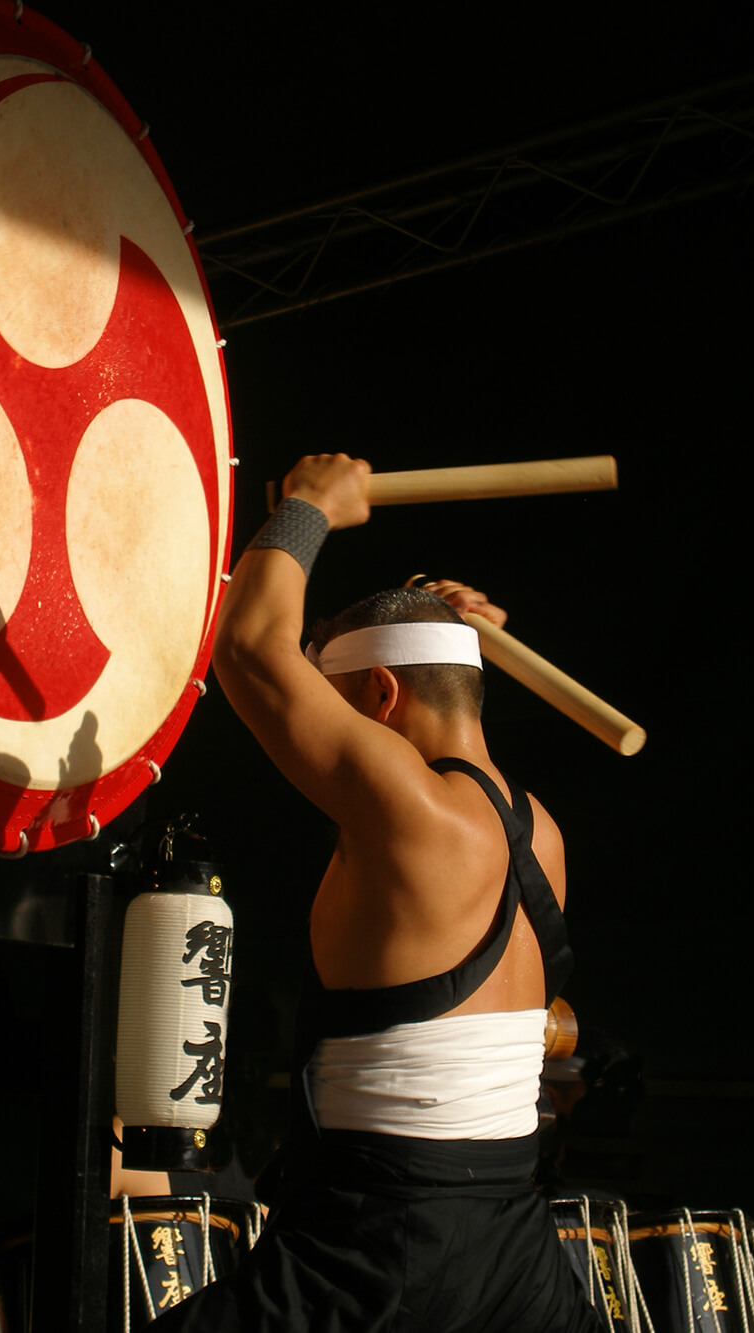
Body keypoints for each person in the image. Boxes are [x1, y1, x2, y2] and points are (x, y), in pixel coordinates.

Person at [154, 453, 603, 1332]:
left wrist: (307, 510)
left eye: (339, 708)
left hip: (383, 1242)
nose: (325, 742)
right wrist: (433, 613)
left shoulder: (414, 812)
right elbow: (428, 680)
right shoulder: (538, 832)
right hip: (513, 1245)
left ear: (384, 694)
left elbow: (248, 648)